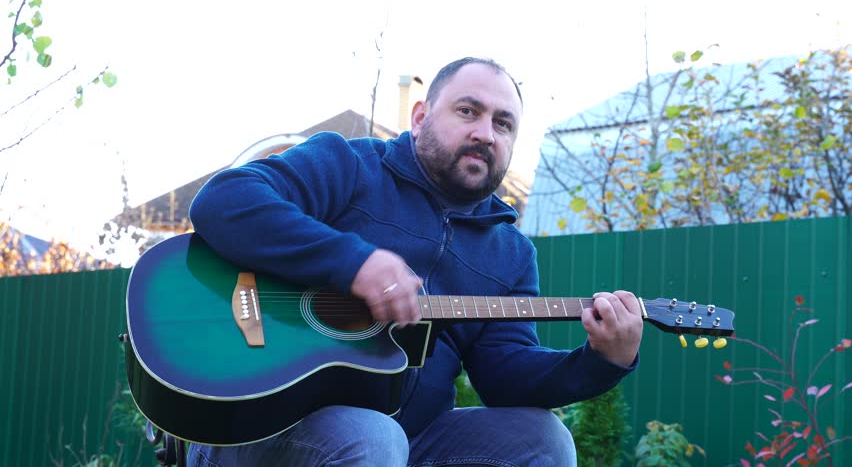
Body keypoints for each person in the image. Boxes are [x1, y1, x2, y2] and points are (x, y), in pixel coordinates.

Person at [186, 57, 644, 466]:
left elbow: (506, 377)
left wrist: (601, 361)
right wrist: (353, 262)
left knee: (545, 441)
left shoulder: (511, 253)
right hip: (258, 414)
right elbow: (224, 200)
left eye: (503, 124)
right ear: (421, 117)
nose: (485, 133)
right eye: (468, 111)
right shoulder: (350, 165)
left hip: (410, 441)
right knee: (374, 436)